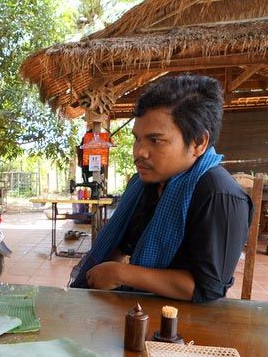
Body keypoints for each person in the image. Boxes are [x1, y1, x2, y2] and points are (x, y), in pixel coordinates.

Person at [70, 74, 251, 302]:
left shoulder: (219, 195)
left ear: (198, 143)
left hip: (183, 325)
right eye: (138, 139)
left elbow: (206, 288)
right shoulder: (145, 185)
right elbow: (123, 243)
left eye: (155, 141)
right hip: (140, 310)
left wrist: (122, 273)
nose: (139, 152)